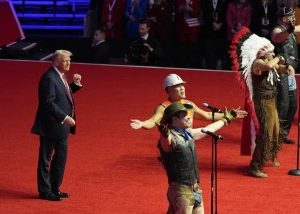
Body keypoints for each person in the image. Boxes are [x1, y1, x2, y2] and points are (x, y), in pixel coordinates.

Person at [230, 27, 295, 178]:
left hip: (271, 100)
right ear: (263, 53)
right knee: (265, 133)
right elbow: (270, 65)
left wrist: (287, 67)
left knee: (275, 130)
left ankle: (267, 157)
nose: (272, 54)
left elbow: (278, 67)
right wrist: (278, 57)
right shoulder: (258, 63)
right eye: (270, 52)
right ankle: (255, 166)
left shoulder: (268, 61)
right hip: (262, 102)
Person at [157, 101, 237, 213]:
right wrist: (164, 135)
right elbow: (166, 143)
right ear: (174, 119)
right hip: (181, 191)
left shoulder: (188, 133)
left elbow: (208, 129)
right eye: (184, 115)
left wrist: (226, 119)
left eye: (188, 114)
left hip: (195, 189)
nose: (189, 117)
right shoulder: (170, 137)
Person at [31, 50, 83, 201]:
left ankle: (55, 188)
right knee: (45, 159)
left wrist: (76, 86)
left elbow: (63, 94)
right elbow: (48, 103)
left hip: (61, 127)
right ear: (56, 62)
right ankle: (45, 191)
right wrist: (65, 117)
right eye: (65, 60)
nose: (68, 63)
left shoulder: (60, 75)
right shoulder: (49, 78)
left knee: (60, 159)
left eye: (69, 60)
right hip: (50, 125)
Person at [130, 73, 247, 130]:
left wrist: (230, 115)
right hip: (174, 143)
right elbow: (153, 121)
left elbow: (206, 115)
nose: (182, 88)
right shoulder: (164, 107)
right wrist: (142, 124)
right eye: (178, 86)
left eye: (182, 85)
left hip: (188, 140)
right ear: (169, 90)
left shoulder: (189, 104)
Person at [271, 7, 299, 144]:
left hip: (291, 74)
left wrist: (292, 29)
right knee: (283, 105)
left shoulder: (292, 28)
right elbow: (277, 38)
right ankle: (274, 135)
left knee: (293, 105)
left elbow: (298, 28)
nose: (294, 18)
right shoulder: (277, 29)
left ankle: (283, 134)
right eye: (291, 16)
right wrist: (289, 30)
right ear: (284, 18)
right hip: (282, 72)